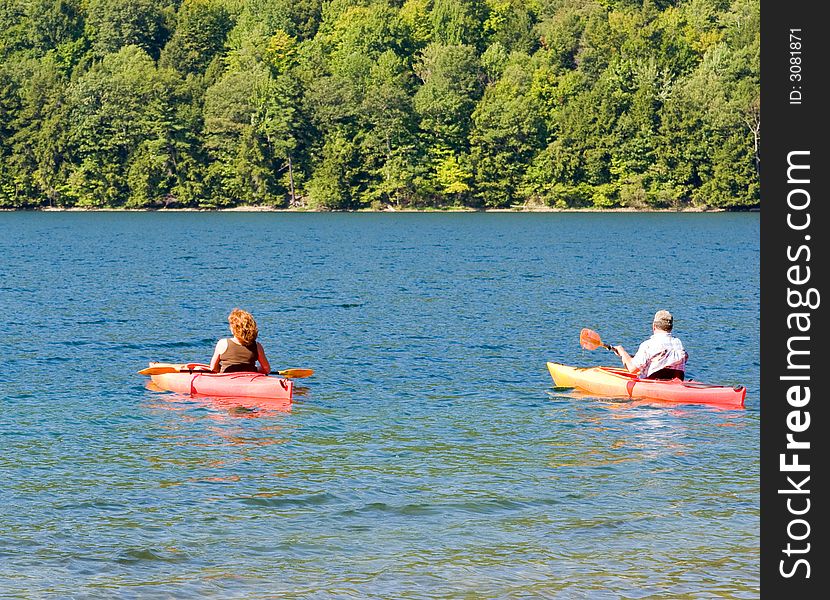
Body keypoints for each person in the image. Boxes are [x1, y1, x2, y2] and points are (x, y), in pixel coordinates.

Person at [613, 310, 688, 380]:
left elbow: (632, 369)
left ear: (654, 326)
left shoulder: (648, 345)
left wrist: (622, 352)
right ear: (671, 328)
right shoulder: (678, 344)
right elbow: (665, 359)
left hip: (652, 385)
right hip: (675, 384)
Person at [208, 308, 271, 374]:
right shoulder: (257, 346)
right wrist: (257, 369)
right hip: (249, 379)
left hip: (227, 379)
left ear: (234, 328)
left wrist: (220, 370)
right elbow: (266, 369)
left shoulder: (222, 343)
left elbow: (213, 368)